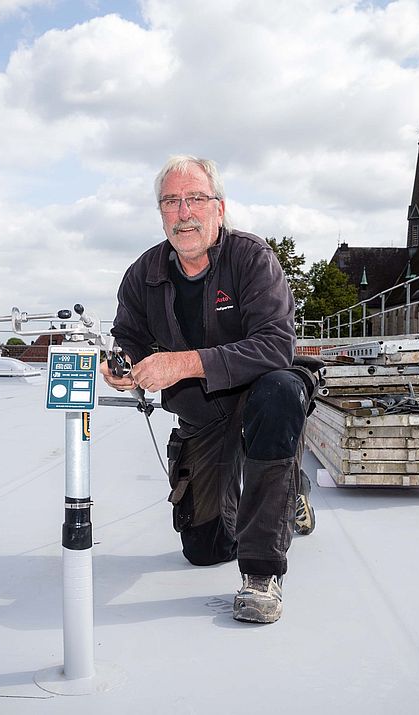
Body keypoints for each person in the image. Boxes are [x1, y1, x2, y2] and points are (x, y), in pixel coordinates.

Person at [101, 155, 319, 624]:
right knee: (203, 550)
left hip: (263, 392)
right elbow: (129, 339)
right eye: (171, 202)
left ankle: (262, 572)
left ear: (219, 207)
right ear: (161, 213)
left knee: (280, 392)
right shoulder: (143, 274)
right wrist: (121, 365)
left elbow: (277, 346)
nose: (185, 213)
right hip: (203, 411)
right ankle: (280, 495)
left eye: (196, 199)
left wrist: (185, 362)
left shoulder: (251, 259)